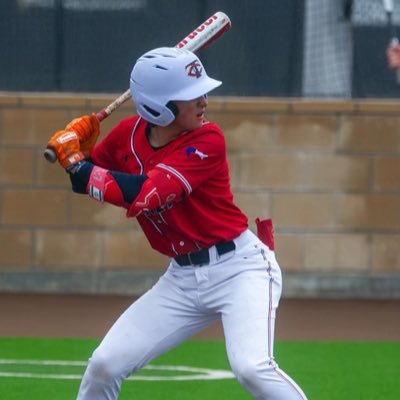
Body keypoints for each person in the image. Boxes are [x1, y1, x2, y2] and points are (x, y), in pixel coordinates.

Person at [46, 47, 308, 400]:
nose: (203, 101)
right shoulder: (127, 135)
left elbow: (147, 193)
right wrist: (80, 149)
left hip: (241, 269)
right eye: (190, 96)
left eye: (201, 91)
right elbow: (87, 181)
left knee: (252, 368)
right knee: (104, 365)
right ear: (157, 107)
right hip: (182, 280)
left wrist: (77, 163)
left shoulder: (208, 140)